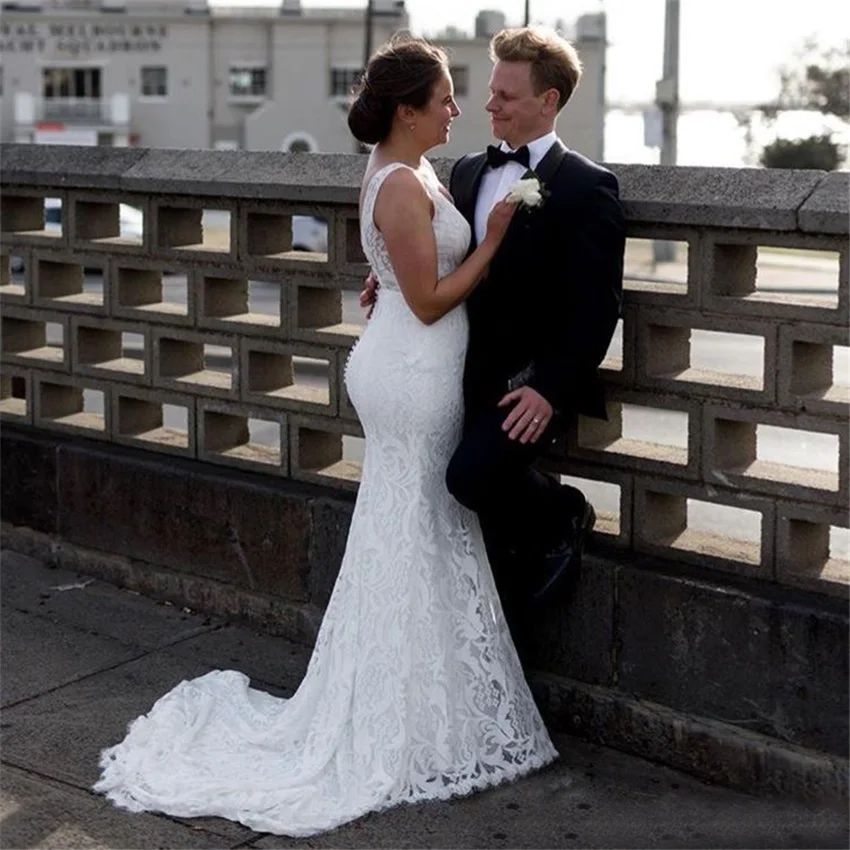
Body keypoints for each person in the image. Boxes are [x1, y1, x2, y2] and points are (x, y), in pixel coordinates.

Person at [93, 34, 557, 838]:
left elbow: (396, 271)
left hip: (407, 364)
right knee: (417, 528)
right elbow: (431, 298)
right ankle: (401, 719)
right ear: (409, 109)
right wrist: (493, 237)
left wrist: (403, 263)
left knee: (407, 532)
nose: (457, 109)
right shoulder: (402, 185)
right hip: (413, 374)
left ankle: (411, 704)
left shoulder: (410, 172)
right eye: (446, 97)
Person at [365, 27, 625, 636]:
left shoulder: (588, 187)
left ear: (549, 101)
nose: (490, 106)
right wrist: (391, 279)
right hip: (448, 369)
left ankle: (564, 516)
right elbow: (433, 254)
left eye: (507, 95)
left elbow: (598, 307)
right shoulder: (464, 172)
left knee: (469, 477)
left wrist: (550, 389)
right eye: (490, 92)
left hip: (525, 385)